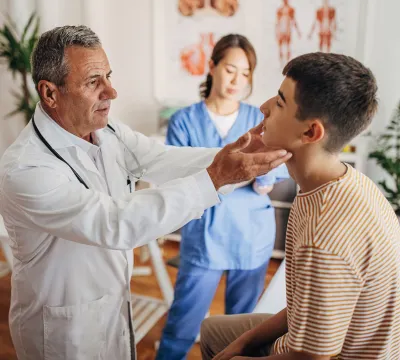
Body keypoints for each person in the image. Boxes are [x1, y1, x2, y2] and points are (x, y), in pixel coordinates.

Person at [0, 26, 292, 360]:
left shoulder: (107, 130)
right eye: (94, 81)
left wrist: (231, 154)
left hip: (111, 305)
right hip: (64, 328)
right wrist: (216, 176)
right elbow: (115, 223)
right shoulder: (27, 169)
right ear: (50, 93)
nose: (112, 91)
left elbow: (160, 159)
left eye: (108, 76)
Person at [200, 52, 400, 360]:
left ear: (310, 132)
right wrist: (243, 341)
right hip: (311, 338)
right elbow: (304, 307)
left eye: (280, 102)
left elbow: (313, 357)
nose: (264, 107)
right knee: (215, 331)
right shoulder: (343, 181)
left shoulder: (325, 235)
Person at [156, 34, 290, 360]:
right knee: (182, 326)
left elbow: (280, 166)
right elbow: (176, 175)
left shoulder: (260, 119)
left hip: (252, 236)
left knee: (240, 333)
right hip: (204, 237)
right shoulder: (184, 121)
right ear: (213, 66)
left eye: (245, 74)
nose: (237, 80)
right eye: (231, 69)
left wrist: (267, 175)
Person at [275, 0, 301, 66]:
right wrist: (276, 32)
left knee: (288, 46)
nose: (285, 1)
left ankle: (287, 62)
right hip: (281, 29)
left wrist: (298, 31)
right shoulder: (279, 9)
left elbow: (294, 20)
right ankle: (281, 63)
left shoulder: (291, 9)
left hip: (287, 30)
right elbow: (277, 22)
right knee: (280, 47)